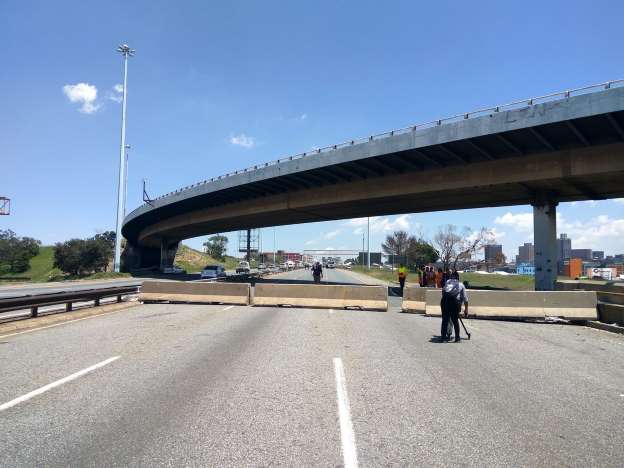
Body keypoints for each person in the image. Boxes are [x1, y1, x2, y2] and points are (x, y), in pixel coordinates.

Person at [440, 272, 469, 342]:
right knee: (455, 321)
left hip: (445, 301)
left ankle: (443, 337)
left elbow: (443, 292)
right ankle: (457, 338)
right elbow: (465, 299)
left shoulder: (448, 282)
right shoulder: (461, 285)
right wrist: (466, 310)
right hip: (455, 304)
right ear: (458, 278)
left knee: (445, 320)